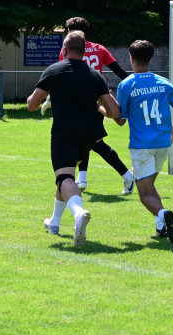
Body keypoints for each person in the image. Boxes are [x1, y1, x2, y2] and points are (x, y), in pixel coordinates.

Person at [27, 31, 121, 247]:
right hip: (89, 134)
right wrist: (100, 107)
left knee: (64, 178)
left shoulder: (54, 70)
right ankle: (54, 222)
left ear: (64, 50)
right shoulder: (95, 75)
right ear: (84, 51)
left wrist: (31, 99)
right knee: (66, 174)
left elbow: (32, 106)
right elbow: (114, 111)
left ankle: (78, 213)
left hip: (64, 132)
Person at [41, 17, 134, 195]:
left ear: (70, 32)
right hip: (97, 99)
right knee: (88, 139)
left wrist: (50, 98)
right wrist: (135, 87)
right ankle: (82, 179)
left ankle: (126, 176)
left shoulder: (67, 49)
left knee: (94, 142)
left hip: (76, 102)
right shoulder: (99, 48)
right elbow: (119, 72)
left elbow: (60, 74)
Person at [115, 40, 173, 246]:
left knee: (144, 193)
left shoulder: (127, 84)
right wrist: (172, 131)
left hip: (142, 146)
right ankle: (160, 225)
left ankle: (164, 214)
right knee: (150, 185)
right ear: (150, 58)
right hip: (163, 144)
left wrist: (102, 108)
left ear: (131, 58)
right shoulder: (163, 82)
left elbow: (120, 120)